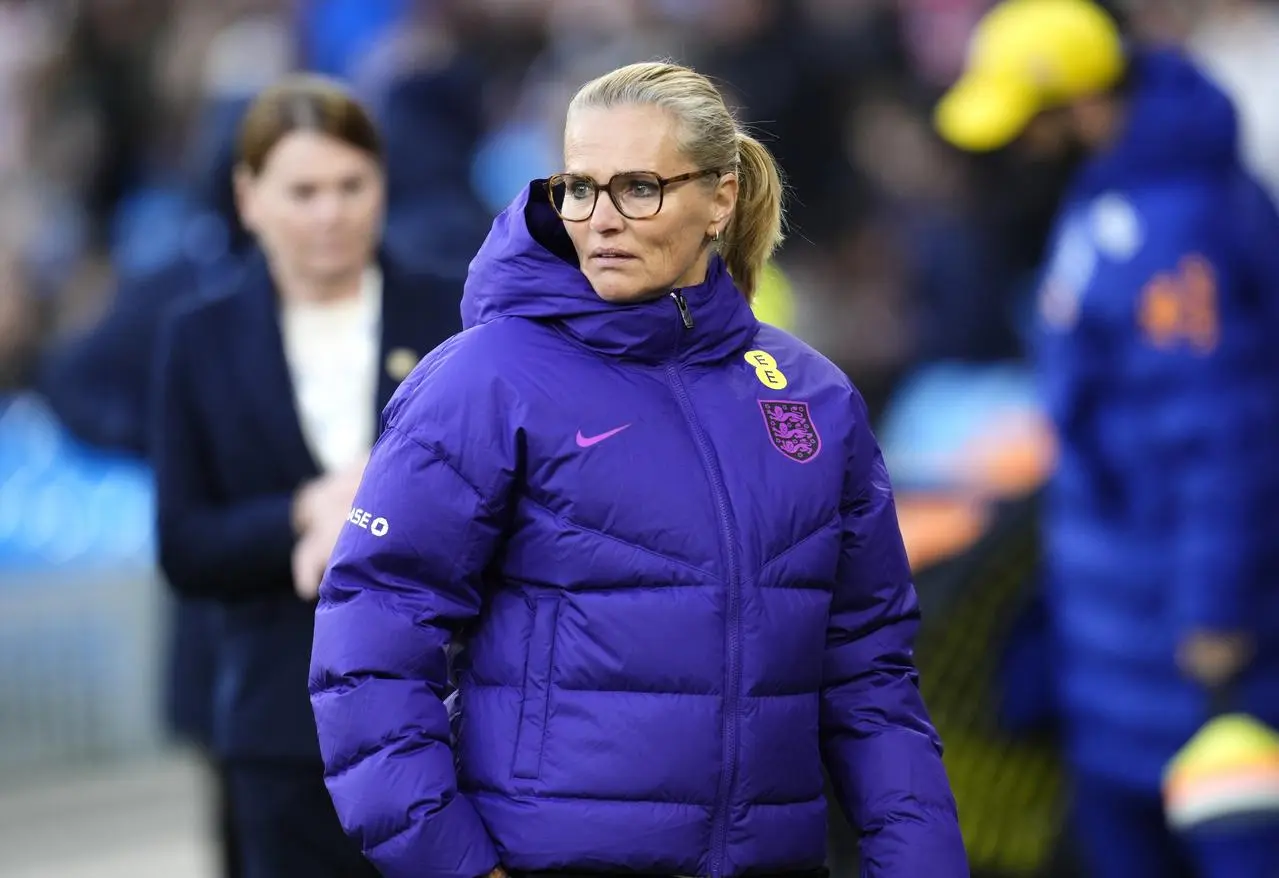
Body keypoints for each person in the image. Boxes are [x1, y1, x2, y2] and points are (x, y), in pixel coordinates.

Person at [308, 60, 967, 878]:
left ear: (720, 199)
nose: (602, 219)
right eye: (579, 188)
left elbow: (869, 673)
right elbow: (370, 640)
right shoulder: (484, 379)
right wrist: (453, 863)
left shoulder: (813, 397)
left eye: (639, 188)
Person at [934, 2, 1279, 876]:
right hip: (1120, 623)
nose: (1014, 147)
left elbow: (1222, 440)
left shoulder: (1172, 231)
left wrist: (1214, 613)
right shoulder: (1118, 190)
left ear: (1082, 106)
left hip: (1181, 636)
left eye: (1027, 123)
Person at [152, 73, 465, 878]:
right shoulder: (199, 338)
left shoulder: (451, 317)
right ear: (249, 197)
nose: (329, 212)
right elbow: (184, 545)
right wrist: (303, 513)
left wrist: (372, 509)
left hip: (441, 713)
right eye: (302, 190)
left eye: (349, 185)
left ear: (381, 184)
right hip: (278, 731)